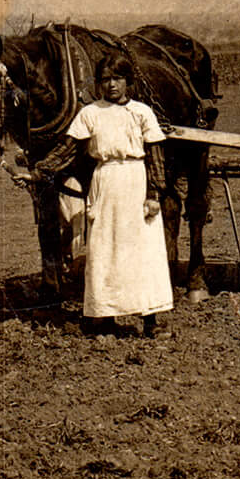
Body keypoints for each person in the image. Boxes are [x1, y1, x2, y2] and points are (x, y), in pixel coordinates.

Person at [59, 56, 173, 333]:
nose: (111, 85)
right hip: (106, 184)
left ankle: (150, 320)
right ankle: (104, 316)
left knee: (143, 250)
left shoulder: (142, 112)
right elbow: (65, 151)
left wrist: (154, 194)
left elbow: (156, 157)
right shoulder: (90, 113)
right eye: (105, 79)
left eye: (117, 79)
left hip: (136, 183)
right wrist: (38, 172)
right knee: (105, 249)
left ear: (127, 82)